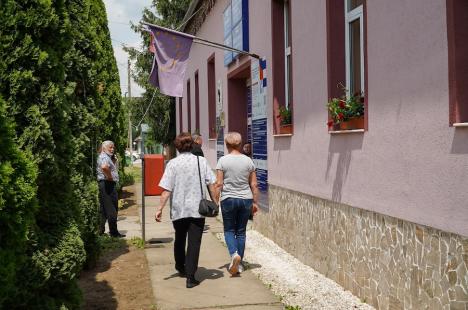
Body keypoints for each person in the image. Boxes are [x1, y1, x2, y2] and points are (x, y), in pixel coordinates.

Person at [155, 132, 217, 288]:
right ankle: (191, 277)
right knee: (194, 242)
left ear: (177, 146)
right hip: (197, 209)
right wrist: (216, 202)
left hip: (179, 209)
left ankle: (180, 267)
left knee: (180, 238)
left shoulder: (172, 164)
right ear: (192, 145)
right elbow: (212, 184)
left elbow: (166, 189)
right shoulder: (201, 161)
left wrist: (159, 209)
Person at [216, 132, 258, 275]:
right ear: (240, 144)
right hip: (246, 199)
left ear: (226, 145)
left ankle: (234, 254)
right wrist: (255, 202)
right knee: (241, 231)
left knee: (229, 230)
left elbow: (219, 184)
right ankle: (239, 265)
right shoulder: (248, 161)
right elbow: (254, 184)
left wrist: (216, 201)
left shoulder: (222, 161)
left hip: (228, 199)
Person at [97, 140, 125, 238]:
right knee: (112, 209)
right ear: (104, 148)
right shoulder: (104, 156)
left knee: (104, 209)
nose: (112, 149)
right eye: (110, 147)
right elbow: (104, 167)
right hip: (107, 184)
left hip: (105, 184)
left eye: (113, 147)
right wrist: (109, 177)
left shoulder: (105, 156)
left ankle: (100, 231)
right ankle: (114, 233)